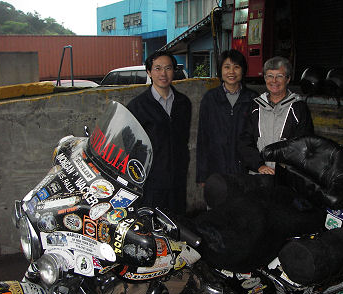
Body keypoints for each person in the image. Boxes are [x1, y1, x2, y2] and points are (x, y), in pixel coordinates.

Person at [127, 50, 192, 214]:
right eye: (157, 68)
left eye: (168, 68)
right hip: (151, 181)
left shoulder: (183, 103)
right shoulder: (137, 106)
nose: (163, 73)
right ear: (149, 72)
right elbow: (130, 145)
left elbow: (183, 139)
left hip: (177, 178)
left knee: (177, 223)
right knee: (152, 225)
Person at [239, 56, 314, 175]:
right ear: (264, 78)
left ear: (288, 79)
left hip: (288, 177)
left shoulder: (298, 107)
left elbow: (304, 143)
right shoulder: (255, 106)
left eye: (279, 76)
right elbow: (245, 141)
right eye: (269, 76)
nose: (274, 81)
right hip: (258, 175)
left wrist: (285, 168)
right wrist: (259, 165)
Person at [196, 49, 258, 185]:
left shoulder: (253, 99)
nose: (231, 72)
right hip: (216, 168)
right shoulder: (210, 98)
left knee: (244, 205)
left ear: (243, 70)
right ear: (220, 70)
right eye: (227, 67)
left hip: (244, 170)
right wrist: (202, 175)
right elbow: (203, 138)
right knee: (217, 205)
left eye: (236, 67)